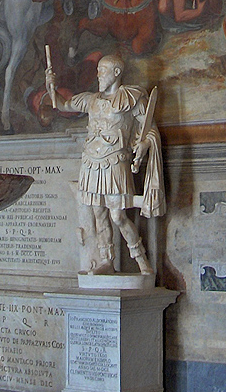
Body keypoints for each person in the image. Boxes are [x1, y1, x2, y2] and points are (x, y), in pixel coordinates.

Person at [45, 53, 165, 277]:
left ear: (117, 72)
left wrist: (145, 144)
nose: (98, 74)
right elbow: (62, 104)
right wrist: (51, 86)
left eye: (102, 70)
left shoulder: (132, 98)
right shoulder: (90, 99)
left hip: (115, 161)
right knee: (98, 213)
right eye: (98, 70)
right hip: (91, 162)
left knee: (118, 215)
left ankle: (141, 260)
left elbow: (150, 129)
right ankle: (106, 260)